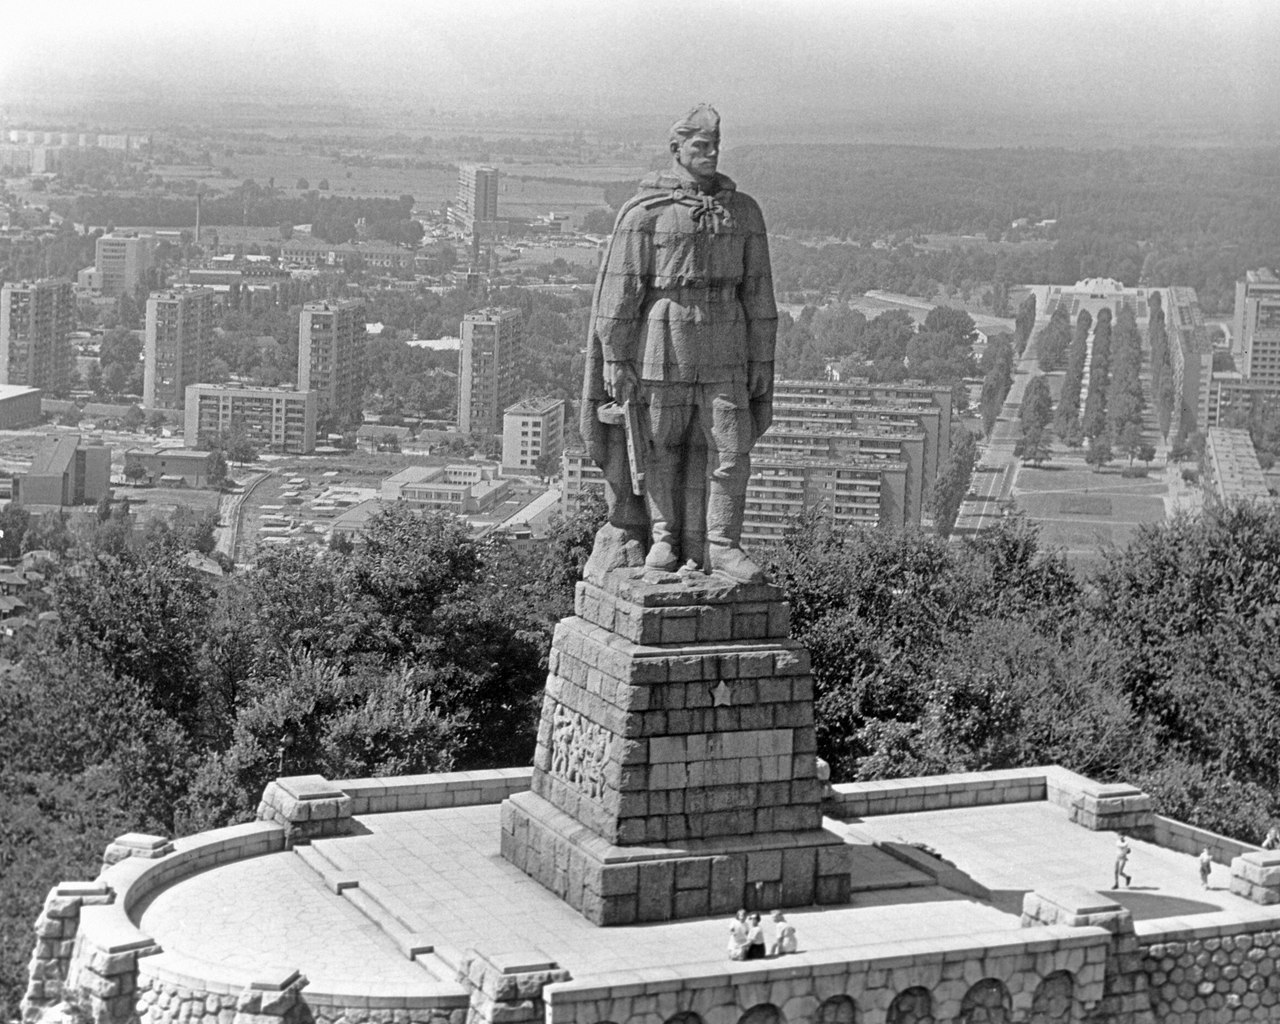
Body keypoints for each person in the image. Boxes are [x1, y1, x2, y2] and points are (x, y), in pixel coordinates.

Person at [580, 103, 777, 583]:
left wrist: (761, 357)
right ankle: (664, 536)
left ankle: (721, 545)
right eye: (700, 146)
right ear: (677, 149)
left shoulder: (743, 212)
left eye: (715, 146)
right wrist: (616, 356)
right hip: (662, 338)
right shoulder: (648, 212)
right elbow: (620, 290)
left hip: (726, 339)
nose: (710, 154)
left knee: (729, 451)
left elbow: (759, 290)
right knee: (661, 445)